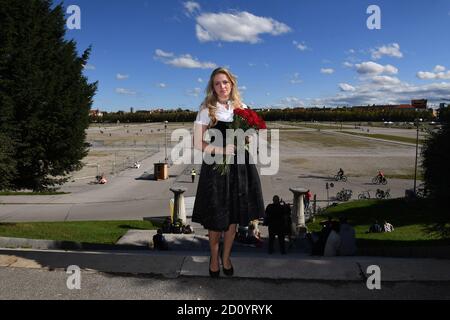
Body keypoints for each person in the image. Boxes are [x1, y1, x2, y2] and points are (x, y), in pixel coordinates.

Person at [192, 67, 265, 278]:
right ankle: (214, 258)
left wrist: (245, 137)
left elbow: (248, 136)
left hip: (239, 167)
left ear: (232, 84)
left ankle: (226, 257)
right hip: (215, 168)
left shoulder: (241, 107)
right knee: (216, 219)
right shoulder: (206, 109)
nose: (222, 87)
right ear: (212, 87)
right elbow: (198, 143)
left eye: (225, 82)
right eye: (217, 83)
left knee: (232, 218)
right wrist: (222, 149)